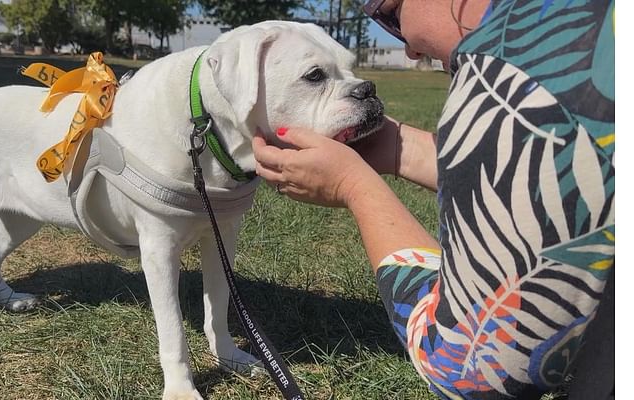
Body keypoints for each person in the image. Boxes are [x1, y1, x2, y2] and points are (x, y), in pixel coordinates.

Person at [252, 0, 614, 399]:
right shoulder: (591, 25)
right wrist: (397, 147)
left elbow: (471, 367)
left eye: (392, 16)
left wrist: (355, 186)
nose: (408, 47)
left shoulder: (514, 72)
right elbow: (557, 176)